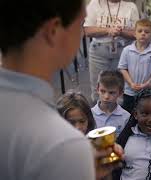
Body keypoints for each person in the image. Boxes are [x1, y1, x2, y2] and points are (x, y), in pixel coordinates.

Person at [0, 0, 123, 179]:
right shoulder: (63, 144)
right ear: (54, 31)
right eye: (80, 24)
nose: (82, 34)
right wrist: (74, 162)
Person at [83, 0, 139, 102]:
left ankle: (121, 116)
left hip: (123, 52)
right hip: (99, 52)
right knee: (99, 91)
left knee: (122, 91)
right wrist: (108, 30)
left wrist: (120, 32)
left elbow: (136, 33)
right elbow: (87, 30)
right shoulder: (94, 4)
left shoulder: (131, 7)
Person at [118, 19, 151, 113]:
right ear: (135, 33)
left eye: (147, 32)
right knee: (127, 115)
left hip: (147, 92)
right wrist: (131, 83)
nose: (143, 34)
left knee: (144, 113)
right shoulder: (127, 50)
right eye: (140, 31)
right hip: (129, 92)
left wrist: (146, 84)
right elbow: (123, 68)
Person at [91, 70, 130, 136]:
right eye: (103, 91)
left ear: (120, 93)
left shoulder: (126, 117)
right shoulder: (90, 115)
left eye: (111, 93)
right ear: (97, 89)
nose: (106, 97)